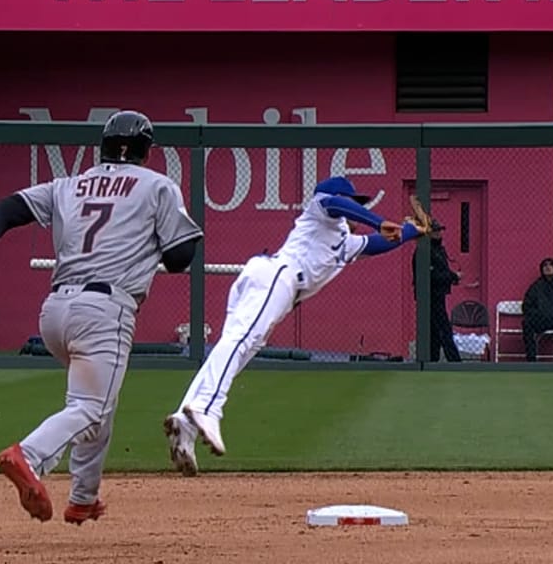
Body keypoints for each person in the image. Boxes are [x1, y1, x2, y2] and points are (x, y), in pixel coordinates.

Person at [0, 112, 202, 523]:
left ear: (102, 146)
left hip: (55, 313)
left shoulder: (70, 185)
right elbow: (180, 258)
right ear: (145, 150)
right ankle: (29, 456)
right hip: (104, 311)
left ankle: (83, 497)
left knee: (98, 403)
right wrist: (151, 241)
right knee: (91, 406)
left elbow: (11, 207)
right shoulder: (158, 186)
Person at [164, 178, 429, 475]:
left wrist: (411, 232)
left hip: (269, 283)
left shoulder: (346, 241)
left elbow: (378, 243)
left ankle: (184, 424)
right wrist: (377, 220)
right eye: (356, 203)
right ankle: (208, 409)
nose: (358, 208)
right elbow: (335, 203)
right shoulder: (321, 211)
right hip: (278, 277)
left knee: (235, 351)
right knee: (238, 343)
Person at [413, 219, 461, 361]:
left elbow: (441, 271)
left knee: (434, 331)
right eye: (436, 231)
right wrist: (452, 276)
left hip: (438, 295)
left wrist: (452, 277)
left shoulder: (438, 249)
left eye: (440, 230)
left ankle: (431, 360)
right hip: (429, 296)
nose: (439, 233)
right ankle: (455, 361)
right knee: (443, 329)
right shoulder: (423, 251)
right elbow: (430, 275)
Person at [521, 257, 553, 361]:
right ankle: (531, 360)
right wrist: (538, 315)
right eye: (545, 265)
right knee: (527, 323)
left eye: (550, 265)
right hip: (542, 320)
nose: (548, 267)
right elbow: (527, 306)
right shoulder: (536, 287)